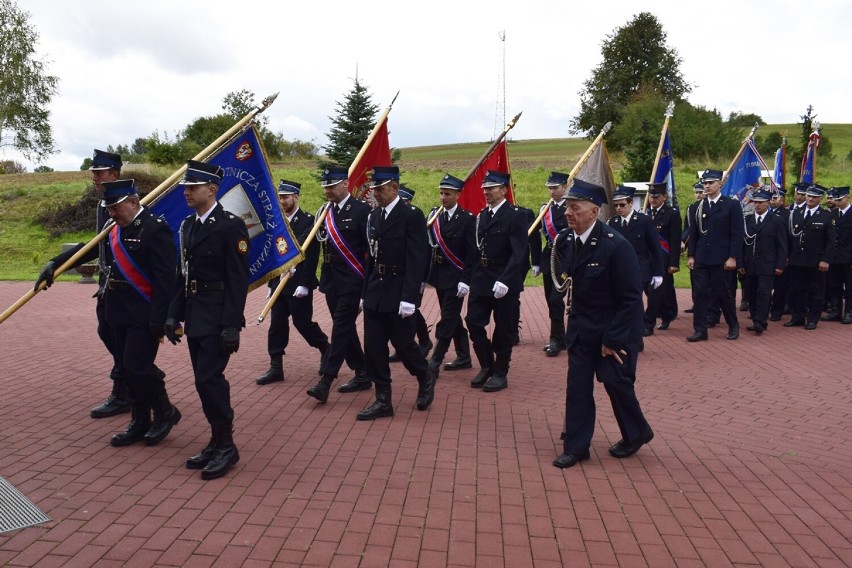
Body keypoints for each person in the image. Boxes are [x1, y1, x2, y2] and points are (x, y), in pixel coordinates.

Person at [552, 178, 653, 469]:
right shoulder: (568, 240)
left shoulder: (615, 246)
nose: (568, 213)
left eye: (574, 208)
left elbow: (631, 299)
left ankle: (638, 432)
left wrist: (613, 340)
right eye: (567, 208)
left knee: (617, 385)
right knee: (578, 387)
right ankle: (576, 446)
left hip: (612, 332)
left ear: (594, 211)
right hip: (582, 330)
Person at [165, 160, 249, 480]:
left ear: (212, 190)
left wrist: (231, 324)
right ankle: (216, 441)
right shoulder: (189, 226)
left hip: (217, 316)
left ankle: (227, 445)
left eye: (193, 187)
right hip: (195, 314)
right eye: (186, 187)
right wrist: (173, 314)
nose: (186, 192)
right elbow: (182, 275)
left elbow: (237, 279)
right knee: (203, 380)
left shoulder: (230, 225)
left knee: (208, 379)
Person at [35, 149, 132, 419]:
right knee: (107, 331)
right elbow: (96, 244)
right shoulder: (104, 205)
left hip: (128, 282)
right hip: (107, 282)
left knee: (120, 335)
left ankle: (127, 390)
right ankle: (133, 380)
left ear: (114, 174)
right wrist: (56, 263)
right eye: (93, 173)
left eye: (99, 173)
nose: (94, 177)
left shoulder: (128, 204)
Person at [357, 166, 435, 420]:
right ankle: (383, 400)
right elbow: (371, 256)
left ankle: (424, 375)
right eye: (374, 189)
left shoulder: (411, 215)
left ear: (394, 187)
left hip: (400, 290)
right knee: (374, 347)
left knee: (403, 346)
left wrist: (410, 298)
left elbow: (417, 258)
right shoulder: (374, 216)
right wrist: (364, 292)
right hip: (376, 291)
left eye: (380, 189)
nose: (375, 193)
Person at [307, 166, 372, 401]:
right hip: (331, 277)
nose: (328, 191)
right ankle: (362, 372)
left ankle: (326, 380)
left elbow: (369, 250)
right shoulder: (325, 212)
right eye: (325, 187)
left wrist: (368, 282)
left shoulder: (362, 210)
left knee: (341, 327)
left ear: (345, 184)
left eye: (332, 186)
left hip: (353, 277)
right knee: (344, 326)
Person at [255, 180, 329, 385]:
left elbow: (312, 255)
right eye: (280, 197)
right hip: (280, 283)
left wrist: (304, 283)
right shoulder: (276, 222)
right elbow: (272, 256)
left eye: (286, 197)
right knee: (277, 325)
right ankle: (276, 366)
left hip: (298, 284)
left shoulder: (308, 221)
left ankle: (324, 348)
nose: (282, 201)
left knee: (302, 323)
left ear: (296, 197)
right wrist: (271, 285)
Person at [465, 170, 528, 392]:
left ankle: (501, 372)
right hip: (482, 278)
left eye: (491, 188)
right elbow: (476, 249)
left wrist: (506, 280)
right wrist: (467, 278)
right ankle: (487, 365)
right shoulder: (482, 216)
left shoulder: (515, 215)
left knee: (504, 329)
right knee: (473, 321)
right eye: (485, 188)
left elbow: (519, 253)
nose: (486, 192)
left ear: (503, 190)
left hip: (504, 281)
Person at [426, 174, 476, 377]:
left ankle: (436, 359)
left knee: (447, 318)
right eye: (441, 193)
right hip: (439, 275)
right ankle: (464, 356)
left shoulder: (467, 219)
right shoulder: (434, 216)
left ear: (457, 195)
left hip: (456, 277)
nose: (443, 198)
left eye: (447, 194)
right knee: (453, 318)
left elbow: (472, 253)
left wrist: (466, 279)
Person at [686, 169, 744, 342]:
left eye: (711, 183)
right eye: (705, 183)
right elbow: (694, 233)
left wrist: (733, 257)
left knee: (723, 294)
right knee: (700, 294)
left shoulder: (731, 205)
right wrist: (691, 255)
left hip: (721, 258)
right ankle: (700, 330)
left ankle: (733, 325)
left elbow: (737, 233)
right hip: (702, 257)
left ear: (720, 184)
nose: (707, 186)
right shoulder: (698, 207)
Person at [607, 185, 663, 337]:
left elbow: (655, 249)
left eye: (622, 205)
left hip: (640, 269)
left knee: (636, 302)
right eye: (616, 205)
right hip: (619, 271)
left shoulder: (644, 221)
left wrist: (658, 273)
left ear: (631, 203)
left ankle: (640, 333)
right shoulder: (612, 223)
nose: (619, 208)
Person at [389, 184, 433, 361]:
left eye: (405, 201)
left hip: (414, 274)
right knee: (401, 310)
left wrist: (422, 279)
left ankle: (423, 341)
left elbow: (424, 252)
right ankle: (404, 346)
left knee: (412, 308)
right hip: (396, 274)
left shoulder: (415, 217)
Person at [785, 184, 836, 329]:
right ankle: (798, 317)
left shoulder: (826, 216)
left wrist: (826, 260)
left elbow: (831, 242)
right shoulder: (796, 213)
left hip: (815, 261)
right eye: (809, 196)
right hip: (797, 259)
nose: (810, 199)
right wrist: (787, 256)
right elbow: (789, 237)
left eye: (814, 197)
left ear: (820, 198)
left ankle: (813, 318)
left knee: (816, 291)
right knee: (796, 289)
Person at [740, 188, 788, 334]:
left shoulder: (776, 220)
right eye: (755, 202)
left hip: (768, 264)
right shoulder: (747, 220)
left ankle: (761, 321)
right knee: (751, 293)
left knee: (764, 293)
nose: (757, 205)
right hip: (750, 264)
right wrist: (740, 263)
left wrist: (780, 264)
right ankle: (755, 319)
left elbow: (782, 244)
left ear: (768, 202)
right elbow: (741, 244)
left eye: (761, 202)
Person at [537, 172, 570, 356]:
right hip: (548, 256)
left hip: (565, 258)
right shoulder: (545, 208)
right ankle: (560, 337)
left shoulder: (570, 207)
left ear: (565, 187)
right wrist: (536, 262)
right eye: (550, 188)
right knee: (550, 301)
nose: (552, 191)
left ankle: (555, 340)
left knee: (557, 300)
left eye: (555, 188)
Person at [645, 182, 681, 330]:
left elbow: (675, 240)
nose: (652, 199)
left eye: (656, 196)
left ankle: (657, 320)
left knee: (661, 291)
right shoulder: (645, 213)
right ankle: (665, 312)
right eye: (651, 196)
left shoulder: (671, 214)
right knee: (650, 289)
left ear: (664, 197)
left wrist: (674, 263)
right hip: (647, 260)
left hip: (663, 259)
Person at [822, 186, 852, 323]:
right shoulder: (832, 214)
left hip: (849, 256)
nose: (838, 202)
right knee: (834, 284)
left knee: (850, 286)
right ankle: (835, 310)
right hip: (835, 256)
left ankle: (849, 312)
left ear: (847, 197)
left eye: (840, 199)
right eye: (836, 200)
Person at [680, 182, 705, 315]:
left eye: (701, 192)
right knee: (695, 279)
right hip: (695, 249)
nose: (698, 194)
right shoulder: (691, 208)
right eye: (697, 192)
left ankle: (712, 309)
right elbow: (688, 228)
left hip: (710, 249)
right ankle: (697, 304)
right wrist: (683, 240)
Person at [769, 188, 791, 321]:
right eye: (771, 198)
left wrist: (785, 256)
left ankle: (777, 310)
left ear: (782, 200)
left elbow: (787, 238)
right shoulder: (766, 213)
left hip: (779, 254)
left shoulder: (787, 215)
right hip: (767, 255)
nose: (772, 201)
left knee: (779, 286)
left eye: (775, 198)